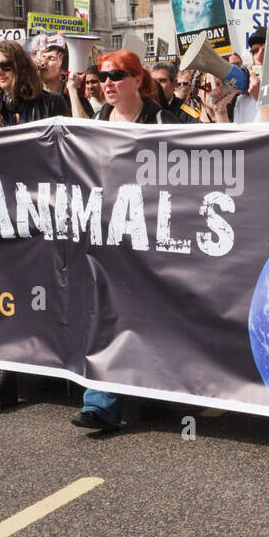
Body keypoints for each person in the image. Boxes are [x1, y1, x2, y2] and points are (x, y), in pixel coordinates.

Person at [0, 40, 70, 403]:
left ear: (21, 66)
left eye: (5, 66)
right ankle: (8, 374)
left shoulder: (51, 103)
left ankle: (35, 370)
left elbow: (61, 154)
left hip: (42, 211)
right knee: (9, 292)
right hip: (4, 212)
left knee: (41, 292)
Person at [71, 49, 170, 430]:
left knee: (149, 314)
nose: (108, 83)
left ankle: (155, 392)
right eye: (103, 75)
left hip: (153, 233)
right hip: (108, 233)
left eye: (117, 75)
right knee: (105, 311)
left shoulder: (163, 120)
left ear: (137, 80)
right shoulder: (97, 119)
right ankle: (101, 403)